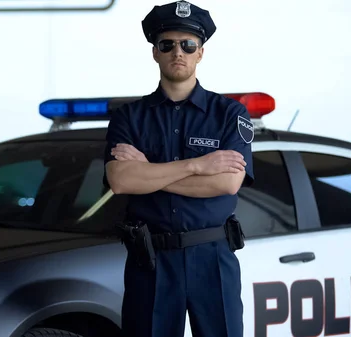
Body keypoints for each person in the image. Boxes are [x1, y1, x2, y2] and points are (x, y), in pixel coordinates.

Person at [103, 1, 255, 337]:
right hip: (151, 260)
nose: (178, 53)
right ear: (155, 53)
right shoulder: (129, 117)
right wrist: (198, 165)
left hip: (213, 255)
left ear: (200, 53)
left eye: (188, 45)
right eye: (167, 44)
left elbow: (228, 183)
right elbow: (120, 179)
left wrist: (150, 173)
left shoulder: (229, 115)